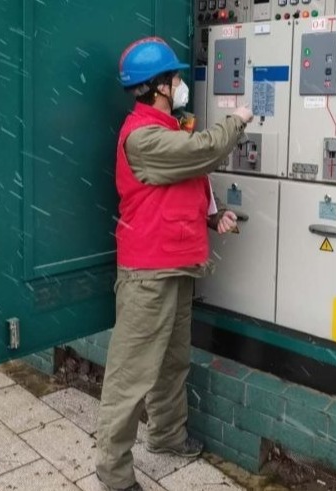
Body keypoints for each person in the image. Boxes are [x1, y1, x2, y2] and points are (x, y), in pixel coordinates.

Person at [95, 37, 253, 491]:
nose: (182, 83)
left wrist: (212, 217)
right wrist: (238, 119)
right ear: (160, 85)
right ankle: (113, 473)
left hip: (178, 264)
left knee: (172, 361)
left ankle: (166, 435)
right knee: (130, 375)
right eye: (177, 77)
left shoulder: (167, 128)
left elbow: (180, 185)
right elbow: (202, 151)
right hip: (148, 273)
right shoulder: (143, 136)